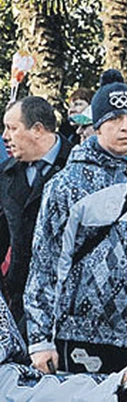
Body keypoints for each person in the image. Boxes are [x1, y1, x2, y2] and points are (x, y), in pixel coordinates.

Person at [24, 70, 127, 375]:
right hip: (83, 339)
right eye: (114, 118)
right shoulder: (68, 185)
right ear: (97, 125)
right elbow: (46, 264)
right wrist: (40, 340)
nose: (125, 127)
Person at [0, 97, 73, 331]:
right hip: (18, 297)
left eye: (12, 128)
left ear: (38, 130)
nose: (4, 136)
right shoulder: (6, 174)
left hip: (67, 302)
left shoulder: (79, 168)